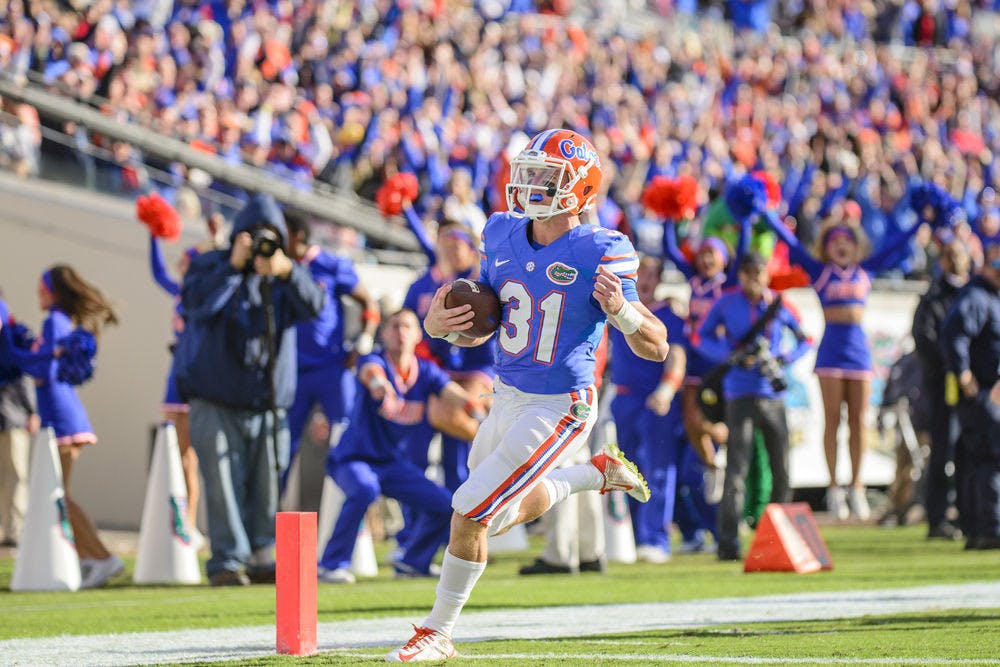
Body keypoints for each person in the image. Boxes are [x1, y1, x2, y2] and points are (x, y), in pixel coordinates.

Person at [387, 128, 669, 661]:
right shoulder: (500, 233)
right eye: (530, 172)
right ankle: (593, 474)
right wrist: (440, 325)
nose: (531, 185)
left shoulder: (603, 248)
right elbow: (487, 323)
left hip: (562, 405)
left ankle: (438, 631)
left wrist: (624, 313)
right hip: (507, 393)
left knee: (469, 509)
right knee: (489, 517)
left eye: (547, 178)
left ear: (579, 189)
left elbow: (656, 345)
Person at [176, 194, 326, 586]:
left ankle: (262, 555)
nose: (261, 240)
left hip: (269, 402)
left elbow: (316, 308)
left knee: (266, 482)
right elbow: (197, 307)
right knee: (222, 482)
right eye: (253, 233)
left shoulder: (284, 274)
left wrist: (286, 272)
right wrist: (233, 266)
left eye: (270, 235)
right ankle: (226, 560)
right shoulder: (210, 264)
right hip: (215, 397)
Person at [763, 211, 928, 521]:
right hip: (831, 353)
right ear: (826, 246)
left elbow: (897, 246)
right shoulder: (819, 271)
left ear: (856, 246)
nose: (840, 246)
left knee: (857, 421)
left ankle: (856, 485)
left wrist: (921, 220)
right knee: (832, 420)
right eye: (834, 241)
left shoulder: (865, 270)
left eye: (846, 241)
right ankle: (834, 488)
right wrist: (765, 212)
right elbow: (790, 243)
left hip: (858, 353)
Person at [318, 308, 485, 583]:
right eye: (394, 326)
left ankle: (412, 563)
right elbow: (369, 372)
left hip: (392, 464)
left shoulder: (426, 371)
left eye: (407, 326)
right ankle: (330, 564)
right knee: (364, 488)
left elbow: (453, 393)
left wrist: (479, 412)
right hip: (353, 459)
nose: (400, 332)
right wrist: (379, 384)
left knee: (446, 504)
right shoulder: (376, 361)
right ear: (384, 333)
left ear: (418, 334)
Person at [2, 266, 122, 586]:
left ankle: (102, 558)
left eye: (42, 287)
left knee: (61, 497)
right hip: (59, 417)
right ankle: (89, 556)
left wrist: (10, 348)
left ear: (52, 291)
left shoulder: (54, 321)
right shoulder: (55, 321)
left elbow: (43, 366)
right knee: (59, 497)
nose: (38, 293)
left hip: (62, 419)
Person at [696, 252, 812, 561]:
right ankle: (728, 544)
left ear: (766, 274)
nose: (754, 279)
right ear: (741, 276)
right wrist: (730, 355)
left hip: (772, 395)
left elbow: (805, 340)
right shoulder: (726, 302)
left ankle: (781, 541)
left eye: (759, 273)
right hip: (739, 393)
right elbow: (700, 337)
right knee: (736, 470)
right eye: (748, 273)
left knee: (782, 470)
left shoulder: (779, 304)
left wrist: (781, 360)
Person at [283, 209, 379, 495]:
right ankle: (269, 528)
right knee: (283, 446)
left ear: (297, 235)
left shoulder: (330, 264)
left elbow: (369, 304)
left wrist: (362, 342)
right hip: (292, 370)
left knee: (347, 436)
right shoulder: (279, 266)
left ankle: (358, 514)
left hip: (330, 367)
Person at [146, 208, 225, 536]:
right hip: (175, 372)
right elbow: (157, 271)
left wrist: (216, 239)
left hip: (194, 374)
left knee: (189, 457)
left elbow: (222, 263)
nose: (181, 265)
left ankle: (190, 522)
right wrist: (152, 233)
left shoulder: (203, 295)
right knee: (175, 454)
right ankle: (178, 522)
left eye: (187, 262)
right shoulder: (180, 293)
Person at [609, 255, 688, 563]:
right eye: (641, 273)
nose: (645, 280)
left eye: (652, 274)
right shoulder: (616, 308)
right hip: (624, 399)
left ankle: (655, 538)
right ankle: (630, 538)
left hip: (654, 400)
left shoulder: (668, 313)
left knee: (658, 470)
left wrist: (667, 389)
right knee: (627, 471)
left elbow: (677, 355)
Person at [940, 241, 1000, 551]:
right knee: (989, 456)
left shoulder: (990, 296)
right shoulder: (977, 296)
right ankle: (989, 528)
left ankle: (980, 528)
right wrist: (963, 373)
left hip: (989, 390)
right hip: (983, 392)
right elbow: (954, 333)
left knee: (979, 458)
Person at [911, 234, 971, 539]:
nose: (958, 260)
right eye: (951, 255)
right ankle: (937, 517)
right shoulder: (934, 297)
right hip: (944, 384)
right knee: (943, 448)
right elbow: (925, 338)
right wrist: (954, 366)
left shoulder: (974, 293)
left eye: (961, 254)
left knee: (969, 450)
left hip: (973, 387)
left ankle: (966, 512)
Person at [0, 296, 37, 547]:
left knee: (16, 474)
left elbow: (24, 379)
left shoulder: (13, 341)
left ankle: (14, 531)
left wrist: (32, 412)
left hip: (12, 419)